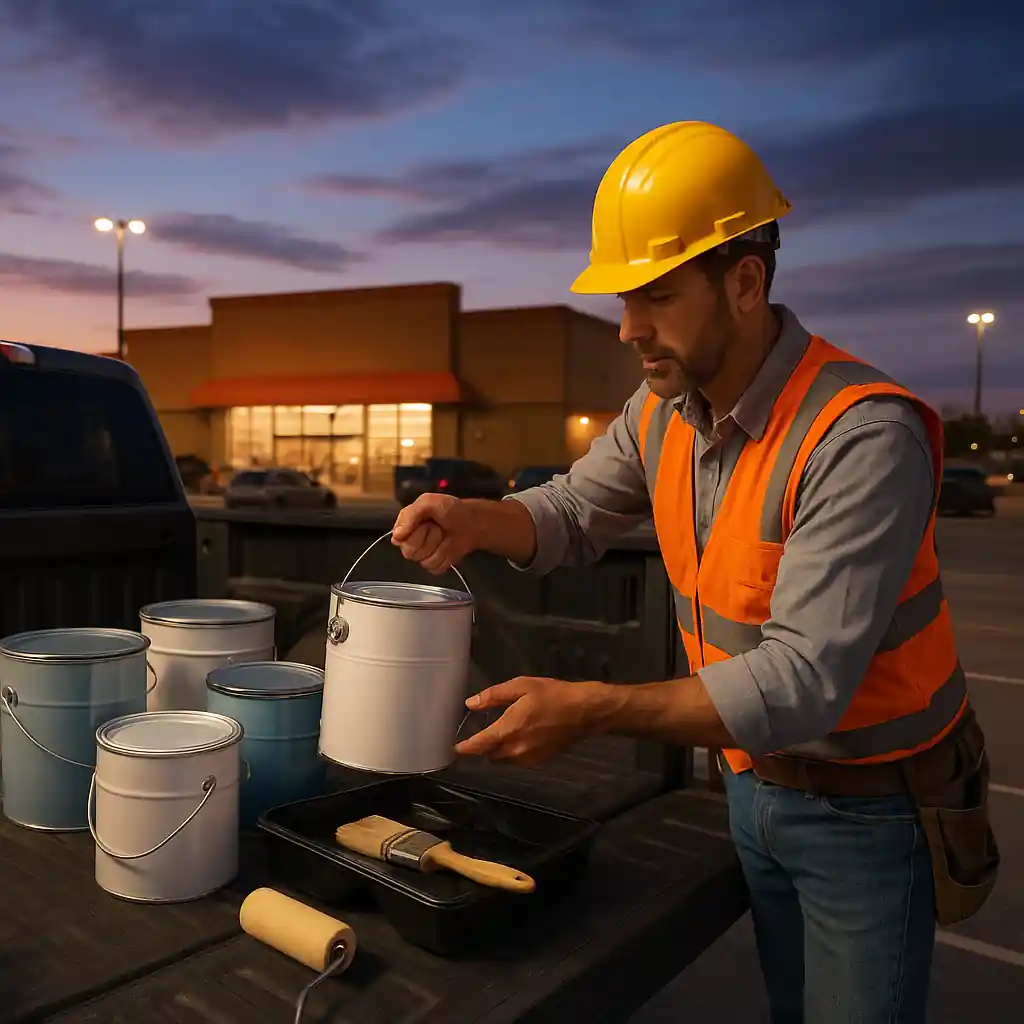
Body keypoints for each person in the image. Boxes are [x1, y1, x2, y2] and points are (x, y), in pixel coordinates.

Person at [391, 121, 998, 1024]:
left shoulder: (861, 435)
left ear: (745, 282)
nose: (629, 329)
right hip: (750, 788)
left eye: (658, 297)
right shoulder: (664, 409)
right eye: (625, 300)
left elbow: (802, 680)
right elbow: (572, 510)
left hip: (869, 814)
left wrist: (595, 709)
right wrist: (478, 519)